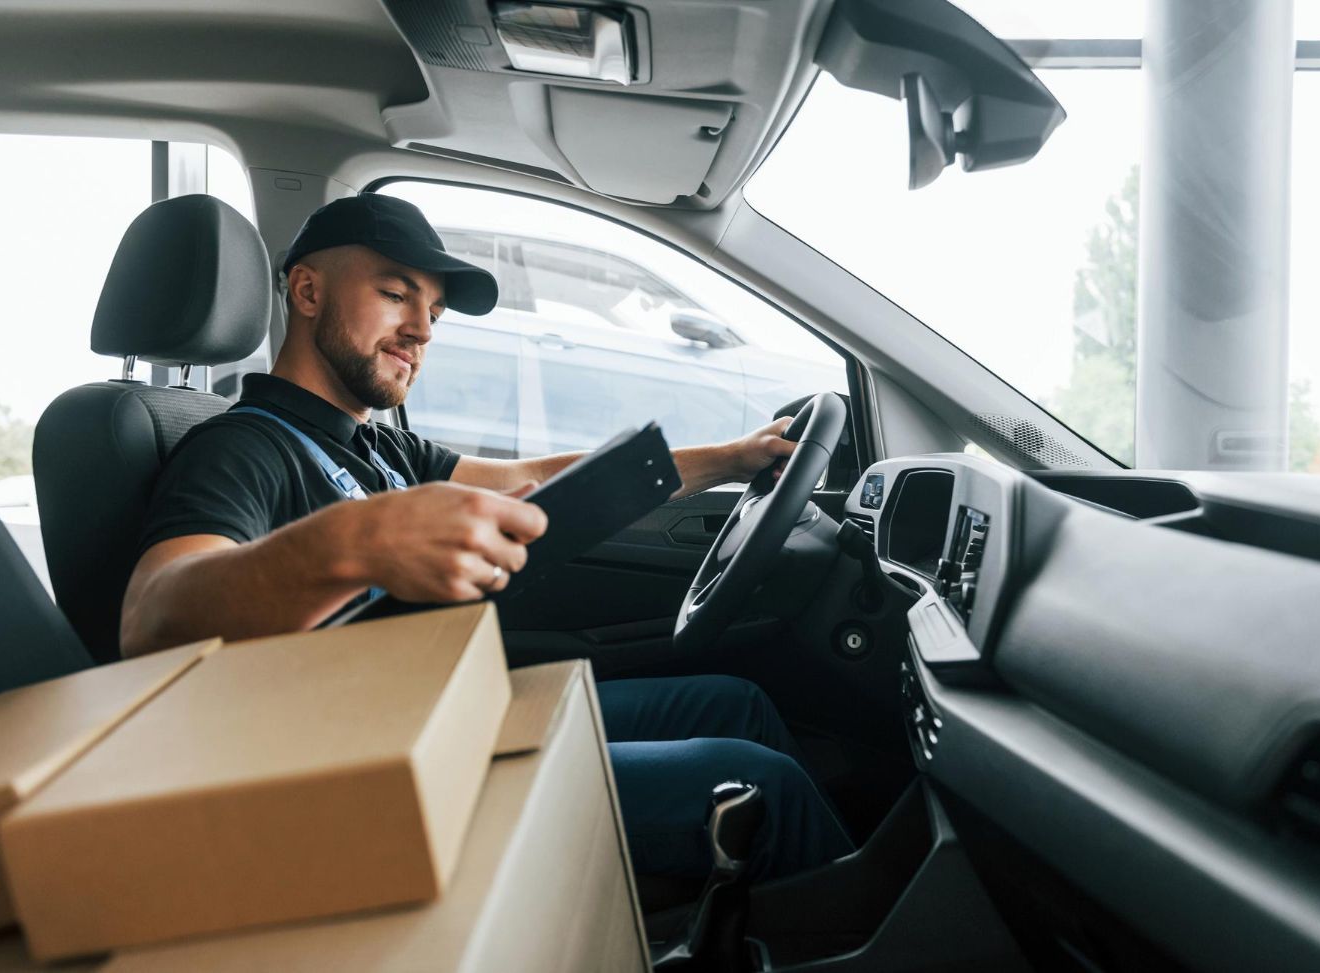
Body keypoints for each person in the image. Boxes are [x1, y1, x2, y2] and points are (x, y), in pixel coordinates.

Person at [121, 192, 853, 881]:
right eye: (395, 292)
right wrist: (354, 539)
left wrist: (732, 457)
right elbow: (150, 617)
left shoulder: (377, 446)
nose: (423, 330)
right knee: (765, 784)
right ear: (308, 293)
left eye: (433, 309)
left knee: (737, 702)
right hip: (381, 764)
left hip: (451, 705)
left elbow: (528, 476)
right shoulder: (240, 447)